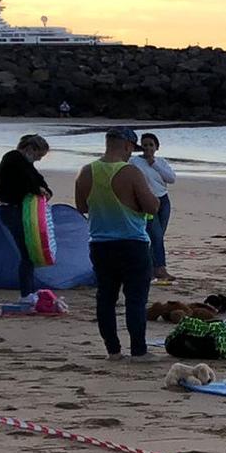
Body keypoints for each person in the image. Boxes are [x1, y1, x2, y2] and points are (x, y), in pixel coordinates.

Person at [73, 127, 160, 357]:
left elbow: (82, 207)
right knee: (135, 300)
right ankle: (138, 351)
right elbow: (152, 206)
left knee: (106, 298)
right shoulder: (130, 172)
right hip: (132, 243)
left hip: (100, 244)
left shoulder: (85, 171)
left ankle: (113, 350)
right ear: (128, 146)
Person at [0, 133, 52, 298]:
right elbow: (27, 181)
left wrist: (44, 190)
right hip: (11, 210)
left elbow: (38, 180)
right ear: (30, 149)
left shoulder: (25, 164)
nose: (38, 159)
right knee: (27, 253)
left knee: (30, 254)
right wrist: (38, 189)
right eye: (39, 155)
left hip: (21, 210)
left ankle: (29, 291)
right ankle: (27, 293)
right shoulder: (13, 158)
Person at [131, 132, 179, 282]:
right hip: (146, 202)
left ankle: (151, 267)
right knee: (155, 235)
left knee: (158, 237)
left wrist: (154, 164)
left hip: (163, 200)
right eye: (145, 145)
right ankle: (160, 268)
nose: (148, 148)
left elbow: (171, 179)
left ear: (156, 147)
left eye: (151, 145)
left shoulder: (161, 162)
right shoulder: (134, 162)